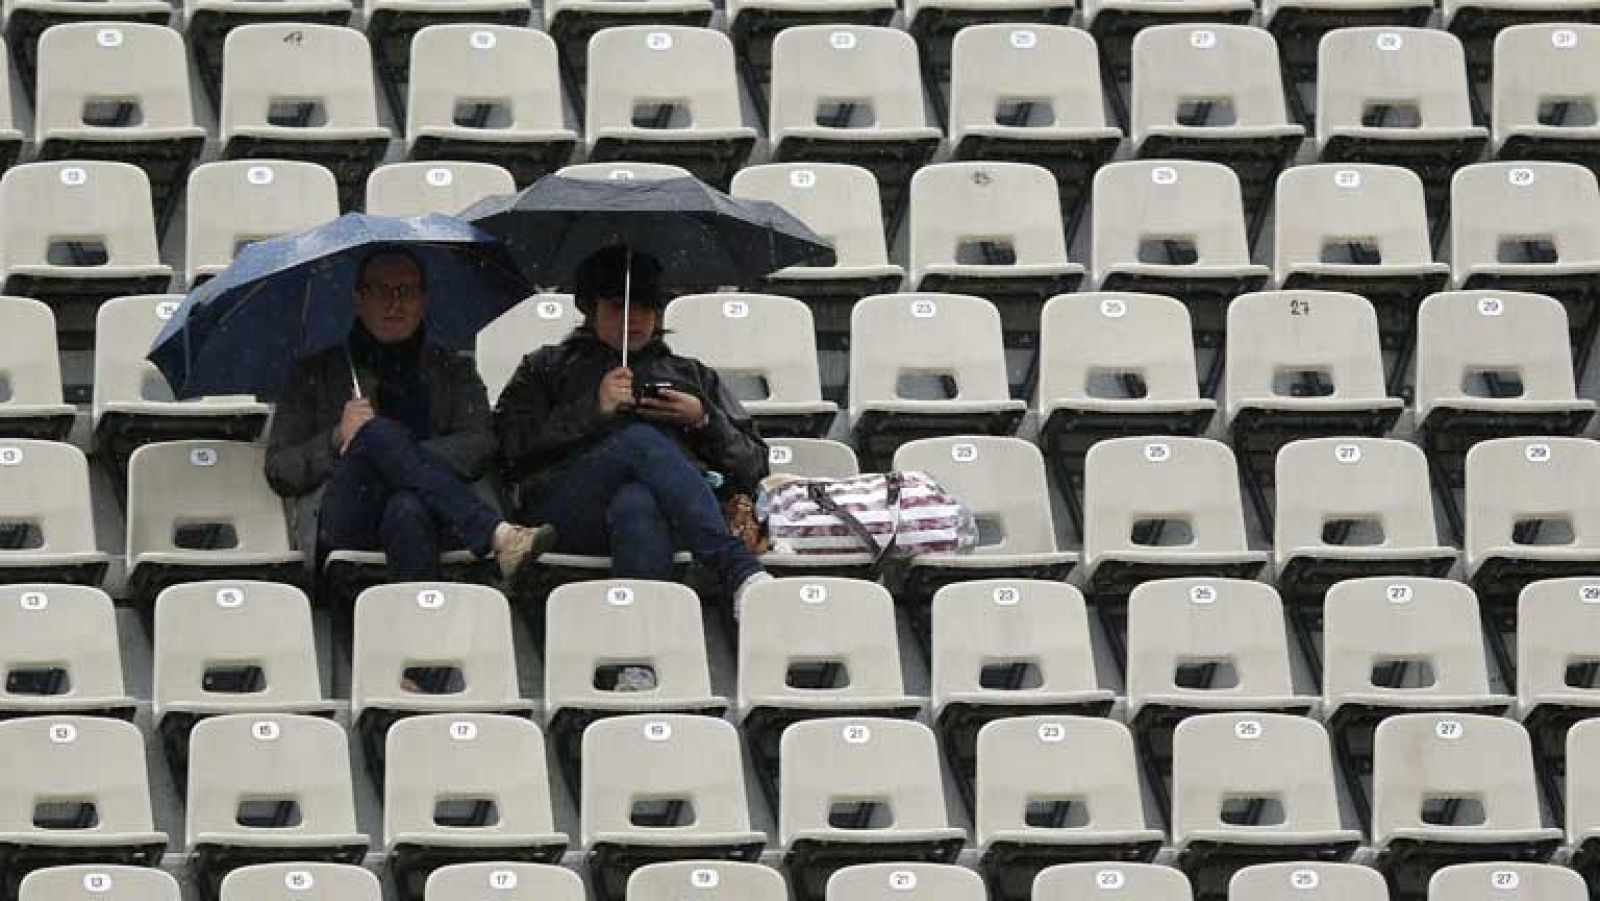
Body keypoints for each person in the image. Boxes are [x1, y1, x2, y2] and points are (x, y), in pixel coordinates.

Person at [494, 245, 771, 607]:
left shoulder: (692, 375)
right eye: (618, 306)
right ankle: (737, 569)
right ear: (590, 311)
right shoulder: (544, 367)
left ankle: (637, 659)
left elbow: (755, 466)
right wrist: (593, 410)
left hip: (672, 521)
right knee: (638, 440)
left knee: (636, 503)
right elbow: (508, 450)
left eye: (645, 306)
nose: (633, 318)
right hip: (564, 516)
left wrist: (704, 421)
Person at [265, 248, 553, 583]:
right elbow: (280, 469)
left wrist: (393, 456)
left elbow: (480, 444)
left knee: (404, 503)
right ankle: (496, 534)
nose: (394, 303)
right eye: (381, 291)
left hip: (435, 515)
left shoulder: (453, 369)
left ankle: (416, 629)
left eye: (406, 291)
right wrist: (336, 439)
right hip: (349, 513)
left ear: (424, 299)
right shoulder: (313, 373)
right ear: (359, 297)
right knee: (375, 435)